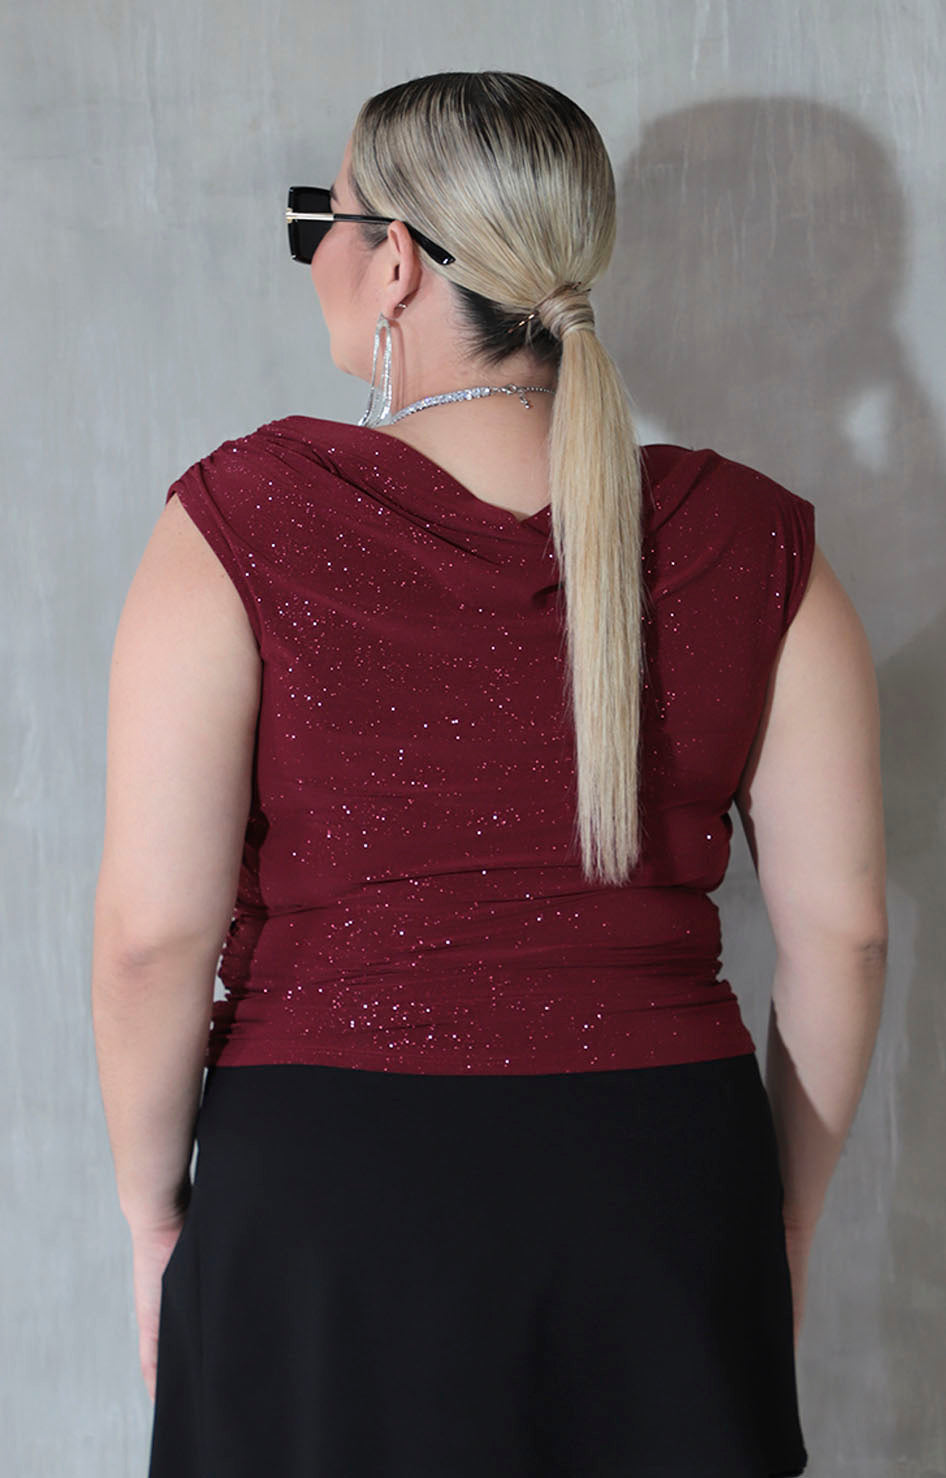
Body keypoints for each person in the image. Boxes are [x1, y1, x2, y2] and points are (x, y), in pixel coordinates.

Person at [90, 70, 888, 1478]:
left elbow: (156, 933)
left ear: (394, 260)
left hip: (326, 1187)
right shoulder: (760, 541)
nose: (316, 256)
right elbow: (846, 933)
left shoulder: (240, 519)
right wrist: (785, 1220)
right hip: (659, 1177)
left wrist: (155, 1215)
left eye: (320, 221)